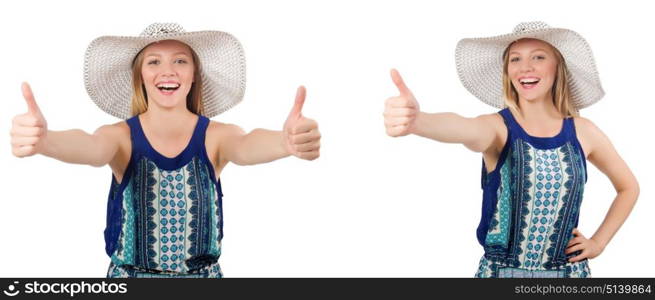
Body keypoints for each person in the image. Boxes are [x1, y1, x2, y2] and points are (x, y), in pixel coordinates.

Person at [10, 23, 321, 278]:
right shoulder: (121, 137)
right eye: (154, 61)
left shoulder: (215, 136)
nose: (168, 70)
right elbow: (91, 147)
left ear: (194, 74)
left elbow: (246, 145)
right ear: (140, 75)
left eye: (180, 60)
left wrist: (285, 142)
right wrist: (45, 141)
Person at [383, 21, 639, 278]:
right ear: (507, 71)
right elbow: (464, 128)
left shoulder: (584, 131)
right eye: (515, 59)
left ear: (557, 67)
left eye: (538, 57)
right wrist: (419, 122)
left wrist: (598, 242)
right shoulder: (498, 128)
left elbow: (628, 187)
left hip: (570, 275)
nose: (525, 67)